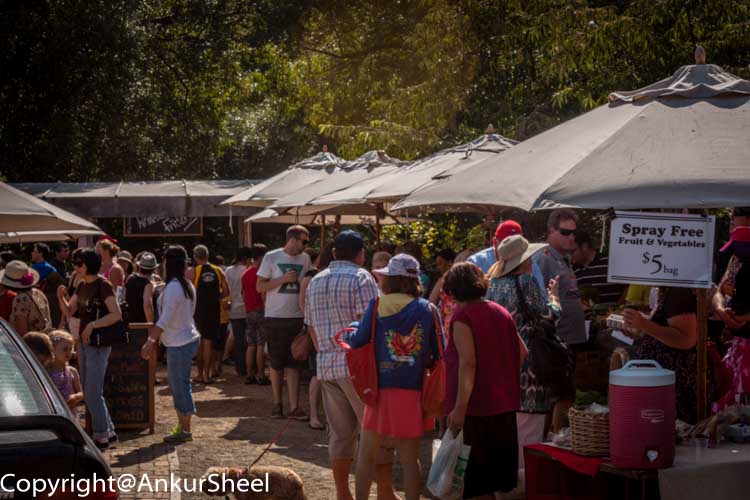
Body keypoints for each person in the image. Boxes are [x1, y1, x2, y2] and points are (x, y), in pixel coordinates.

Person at [305, 232, 399, 500]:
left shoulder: (315, 281)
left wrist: (325, 351)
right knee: (374, 431)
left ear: (334, 253)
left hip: (326, 364)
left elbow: (311, 326)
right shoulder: (361, 277)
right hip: (357, 367)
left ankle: (343, 493)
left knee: (340, 434)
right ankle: (384, 492)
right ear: (361, 254)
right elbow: (370, 323)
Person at [349, 253, 442, 500]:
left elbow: (358, 341)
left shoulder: (377, 306)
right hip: (412, 389)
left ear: (391, 280)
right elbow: (436, 353)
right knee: (410, 459)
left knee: (367, 454)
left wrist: (352, 331)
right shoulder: (429, 309)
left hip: (378, 388)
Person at [444, 262, 527, 499]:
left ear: (453, 290)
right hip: (503, 408)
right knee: (491, 484)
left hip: (475, 411)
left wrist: (459, 409)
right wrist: (500, 378)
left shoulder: (463, 316)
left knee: (476, 487)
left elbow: (468, 363)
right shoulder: (501, 311)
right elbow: (522, 353)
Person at [485, 235, 560, 471]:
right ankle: (524, 483)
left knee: (509, 428)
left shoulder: (492, 285)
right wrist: (554, 298)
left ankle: (507, 480)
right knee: (529, 431)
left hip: (502, 367)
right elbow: (548, 316)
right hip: (529, 367)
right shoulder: (526, 282)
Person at [58, 248, 121, 449]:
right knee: (89, 390)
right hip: (85, 343)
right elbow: (69, 310)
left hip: (99, 344)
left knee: (92, 392)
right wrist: (60, 297)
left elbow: (116, 314)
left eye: (79, 263)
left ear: (88, 265)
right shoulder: (82, 285)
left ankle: (102, 436)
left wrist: (93, 325)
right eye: (74, 263)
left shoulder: (103, 285)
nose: (75, 267)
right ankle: (108, 433)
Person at [141, 245, 201, 443]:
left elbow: (164, 319)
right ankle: (183, 426)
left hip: (179, 342)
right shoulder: (183, 285)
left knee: (179, 385)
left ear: (168, 262)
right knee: (180, 384)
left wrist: (150, 341)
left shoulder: (175, 287)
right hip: (183, 339)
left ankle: (185, 430)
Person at [532, 209, 585, 430]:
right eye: (565, 232)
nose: (572, 237)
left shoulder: (562, 258)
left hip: (569, 339)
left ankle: (555, 437)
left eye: (574, 233)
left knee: (565, 394)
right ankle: (553, 440)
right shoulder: (544, 258)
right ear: (551, 230)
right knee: (560, 395)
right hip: (557, 340)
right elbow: (538, 299)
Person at [257, 225, 311, 419]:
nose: (306, 245)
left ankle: (295, 407)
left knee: (295, 364)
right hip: (275, 317)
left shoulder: (305, 259)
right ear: (293, 239)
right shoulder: (271, 257)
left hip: (297, 317)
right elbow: (259, 286)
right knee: (277, 363)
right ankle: (277, 404)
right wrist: (282, 280)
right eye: (304, 241)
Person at [624, 287, 698, 422]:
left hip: (675, 383)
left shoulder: (677, 291)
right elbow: (662, 327)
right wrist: (640, 329)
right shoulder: (665, 289)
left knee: (670, 433)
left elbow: (687, 339)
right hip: (663, 381)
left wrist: (644, 324)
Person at [468, 220, 547, 295]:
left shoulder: (530, 263)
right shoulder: (476, 262)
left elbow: (541, 293)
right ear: (495, 242)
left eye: (517, 245)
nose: (513, 250)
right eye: (507, 244)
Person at [187, 245, 229, 384]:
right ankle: (207, 375)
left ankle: (199, 374)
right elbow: (226, 291)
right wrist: (216, 296)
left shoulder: (193, 271)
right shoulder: (218, 270)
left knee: (199, 342)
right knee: (209, 342)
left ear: (195, 257)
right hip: (214, 311)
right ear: (207, 255)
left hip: (198, 311)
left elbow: (187, 292)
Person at [299, 245, 325, 431]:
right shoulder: (310, 277)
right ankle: (314, 414)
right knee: (317, 374)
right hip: (316, 330)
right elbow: (303, 305)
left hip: (327, 332)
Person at [572, 230, 625, 306]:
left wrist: (618, 309)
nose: (569, 254)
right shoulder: (574, 270)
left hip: (614, 315)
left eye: (573, 251)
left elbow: (628, 288)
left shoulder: (610, 262)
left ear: (584, 247)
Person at [242, 244, 269, 385]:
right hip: (260, 309)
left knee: (251, 344)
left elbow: (243, 294)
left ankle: (249, 375)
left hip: (249, 310)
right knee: (260, 344)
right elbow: (264, 294)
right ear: (262, 257)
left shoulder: (245, 273)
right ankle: (260, 375)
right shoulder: (261, 273)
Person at [2, 260, 52, 335]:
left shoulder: (20, 299)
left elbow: (21, 332)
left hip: (30, 344)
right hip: (44, 340)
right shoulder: (39, 293)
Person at [225, 247, 252, 377]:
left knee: (238, 340)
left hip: (233, 309)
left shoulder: (228, 271)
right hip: (248, 308)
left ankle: (240, 368)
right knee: (250, 341)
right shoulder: (248, 270)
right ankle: (249, 367)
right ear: (246, 258)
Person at [48, 330, 84, 411]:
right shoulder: (47, 371)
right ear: (52, 350)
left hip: (70, 413)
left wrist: (75, 397)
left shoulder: (72, 371)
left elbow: (81, 393)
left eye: (71, 349)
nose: (69, 352)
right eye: (65, 349)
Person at [31, 243, 66, 326]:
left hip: (40, 304)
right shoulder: (50, 267)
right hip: (54, 306)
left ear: (40, 253)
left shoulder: (37, 268)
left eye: (34, 251)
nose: (32, 253)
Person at [429, 248, 458, 333]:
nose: (438, 267)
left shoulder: (443, 280)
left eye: (440, 264)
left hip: (447, 324)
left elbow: (431, 302)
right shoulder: (467, 280)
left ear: (450, 263)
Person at [124, 252, 157, 324]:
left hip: (128, 323)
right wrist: (151, 325)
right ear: (153, 269)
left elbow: (122, 297)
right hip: (142, 325)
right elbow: (147, 305)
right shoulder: (148, 285)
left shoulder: (130, 278)